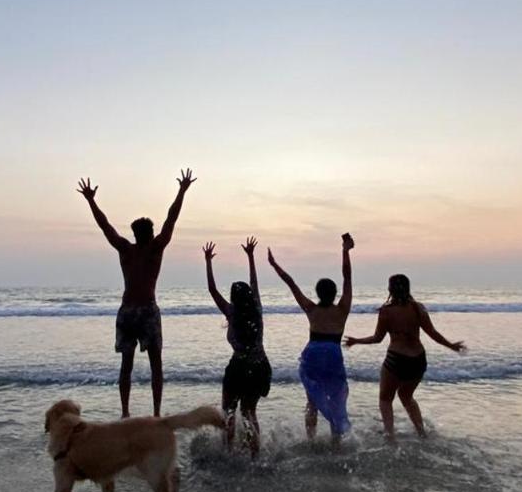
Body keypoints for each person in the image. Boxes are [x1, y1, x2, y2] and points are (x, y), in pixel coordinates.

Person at [76, 169, 196, 417]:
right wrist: (182, 191)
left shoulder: (129, 249)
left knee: (130, 364)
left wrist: (91, 200)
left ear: (136, 234)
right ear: (149, 234)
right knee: (151, 364)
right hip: (142, 310)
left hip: (130, 310)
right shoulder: (151, 248)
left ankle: (129, 412)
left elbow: (105, 226)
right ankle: (151, 413)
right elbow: (170, 220)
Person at [344, 274, 465, 441]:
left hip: (396, 359)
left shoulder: (386, 311)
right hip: (418, 360)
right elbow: (433, 334)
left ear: (390, 289)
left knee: (385, 399)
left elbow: (377, 338)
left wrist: (356, 341)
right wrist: (451, 346)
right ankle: (421, 432)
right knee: (406, 396)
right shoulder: (418, 308)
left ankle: (390, 436)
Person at [267, 233, 354, 444]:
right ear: (334, 294)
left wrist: (274, 264)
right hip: (333, 355)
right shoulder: (342, 309)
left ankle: (311, 440)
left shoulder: (311, 308)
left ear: (318, 292)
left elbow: (291, 283)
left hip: (313, 355)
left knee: (312, 401)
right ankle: (336, 442)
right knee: (336, 400)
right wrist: (345, 251)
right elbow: (347, 278)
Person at [203, 236, 272, 459]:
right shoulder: (257, 310)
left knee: (229, 411)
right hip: (260, 366)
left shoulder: (231, 313)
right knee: (249, 411)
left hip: (239, 367)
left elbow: (212, 290)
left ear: (233, 298)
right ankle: (255, 455)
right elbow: (254, 283)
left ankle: (228, 452)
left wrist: (208, 262)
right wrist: (251, 257)